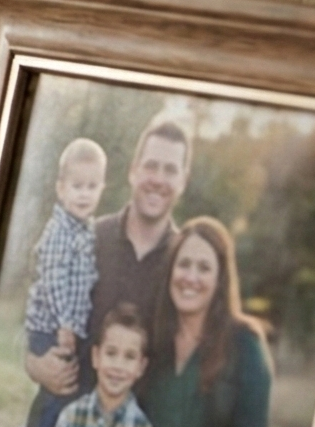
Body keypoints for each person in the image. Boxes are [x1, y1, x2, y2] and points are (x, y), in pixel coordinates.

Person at [26, 120, 191, 424]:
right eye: (151, 166)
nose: (158, 179)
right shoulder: (88, 238)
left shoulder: (185, 266)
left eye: (170, 170)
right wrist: (33, 362)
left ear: (183, 180)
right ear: (133, 170)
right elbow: (39, 304)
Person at [138, 217, 272, 427]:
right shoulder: (152, 340)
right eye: (184, 264)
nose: (191, 278)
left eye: (204, 268)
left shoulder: (245, 345)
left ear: (220, 280)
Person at [24, 138, 108, 427]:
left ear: (102, 189)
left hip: (67, 326)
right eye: (77, 186)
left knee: (67, 394)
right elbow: (53, 280)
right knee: (58, 388)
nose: (84, 194)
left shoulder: (85, 229)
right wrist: (66, 325)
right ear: (61, 189)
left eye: (92, 186)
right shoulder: (60, 231)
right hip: (52, 328)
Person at [54, 305, 152, 427]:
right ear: (96, 357)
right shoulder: (71, 416)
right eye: (111, 353)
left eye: (129, 357)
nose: (118, 366)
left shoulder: (141, 424)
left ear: (141, 367)